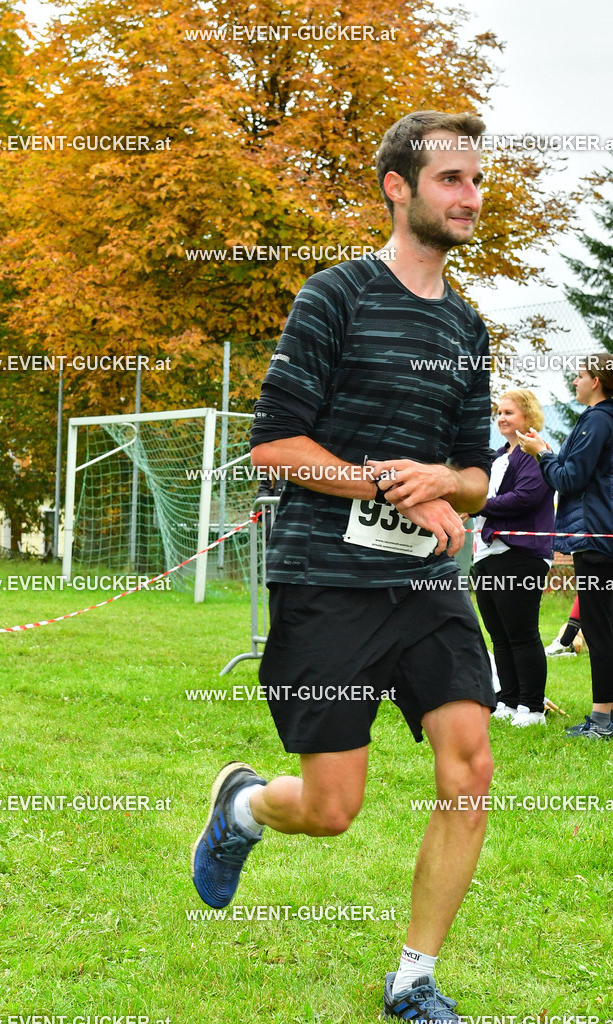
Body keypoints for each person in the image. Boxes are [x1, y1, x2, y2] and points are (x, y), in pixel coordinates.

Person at [191, 110, 496, 1022]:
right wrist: (392, 483)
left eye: (476, 181)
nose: (470, 197)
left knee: (469, 770)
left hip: (428, 584)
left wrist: (443, 482)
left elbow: (475, 479)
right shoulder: (337, 296)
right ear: (398, 189)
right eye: (451, 179)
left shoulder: (469, 330)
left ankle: (414, 979)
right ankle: (243, 807)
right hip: (328, 580)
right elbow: (274, 449)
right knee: (331, 808)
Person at [517, 355, 613, 740]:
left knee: (599, 628)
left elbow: (569, 478)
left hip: (594, 538)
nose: (574, 380)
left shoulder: (597, 419)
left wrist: (541, 451)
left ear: (597, 381)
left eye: (579, 375)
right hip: (602, 536)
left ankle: (602, 720)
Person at [469, 390, 555, 726]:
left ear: (529, 417)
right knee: (499, 634)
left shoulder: (536, 454)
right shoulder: (498, 456)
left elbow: (526, 496)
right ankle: (508, 700)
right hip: (487, 552)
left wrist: (477, 506)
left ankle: (533, 708)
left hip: (520, 555)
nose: (502, 417)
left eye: (510, 412)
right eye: (499, 412)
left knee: (522, 633)